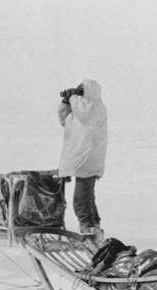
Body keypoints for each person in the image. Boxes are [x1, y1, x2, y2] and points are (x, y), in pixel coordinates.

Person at [57, 79, 107, 242]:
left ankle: (88, 231)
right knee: (87, 197)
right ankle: (95, 229)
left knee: (81, 200)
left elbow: (85, 113)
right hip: (85, 163)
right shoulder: (81, 113)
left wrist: (72, 97)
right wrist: (65, 101)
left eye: (81, 90)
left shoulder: (94, 108)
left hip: (88, 161)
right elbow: (64, 119)